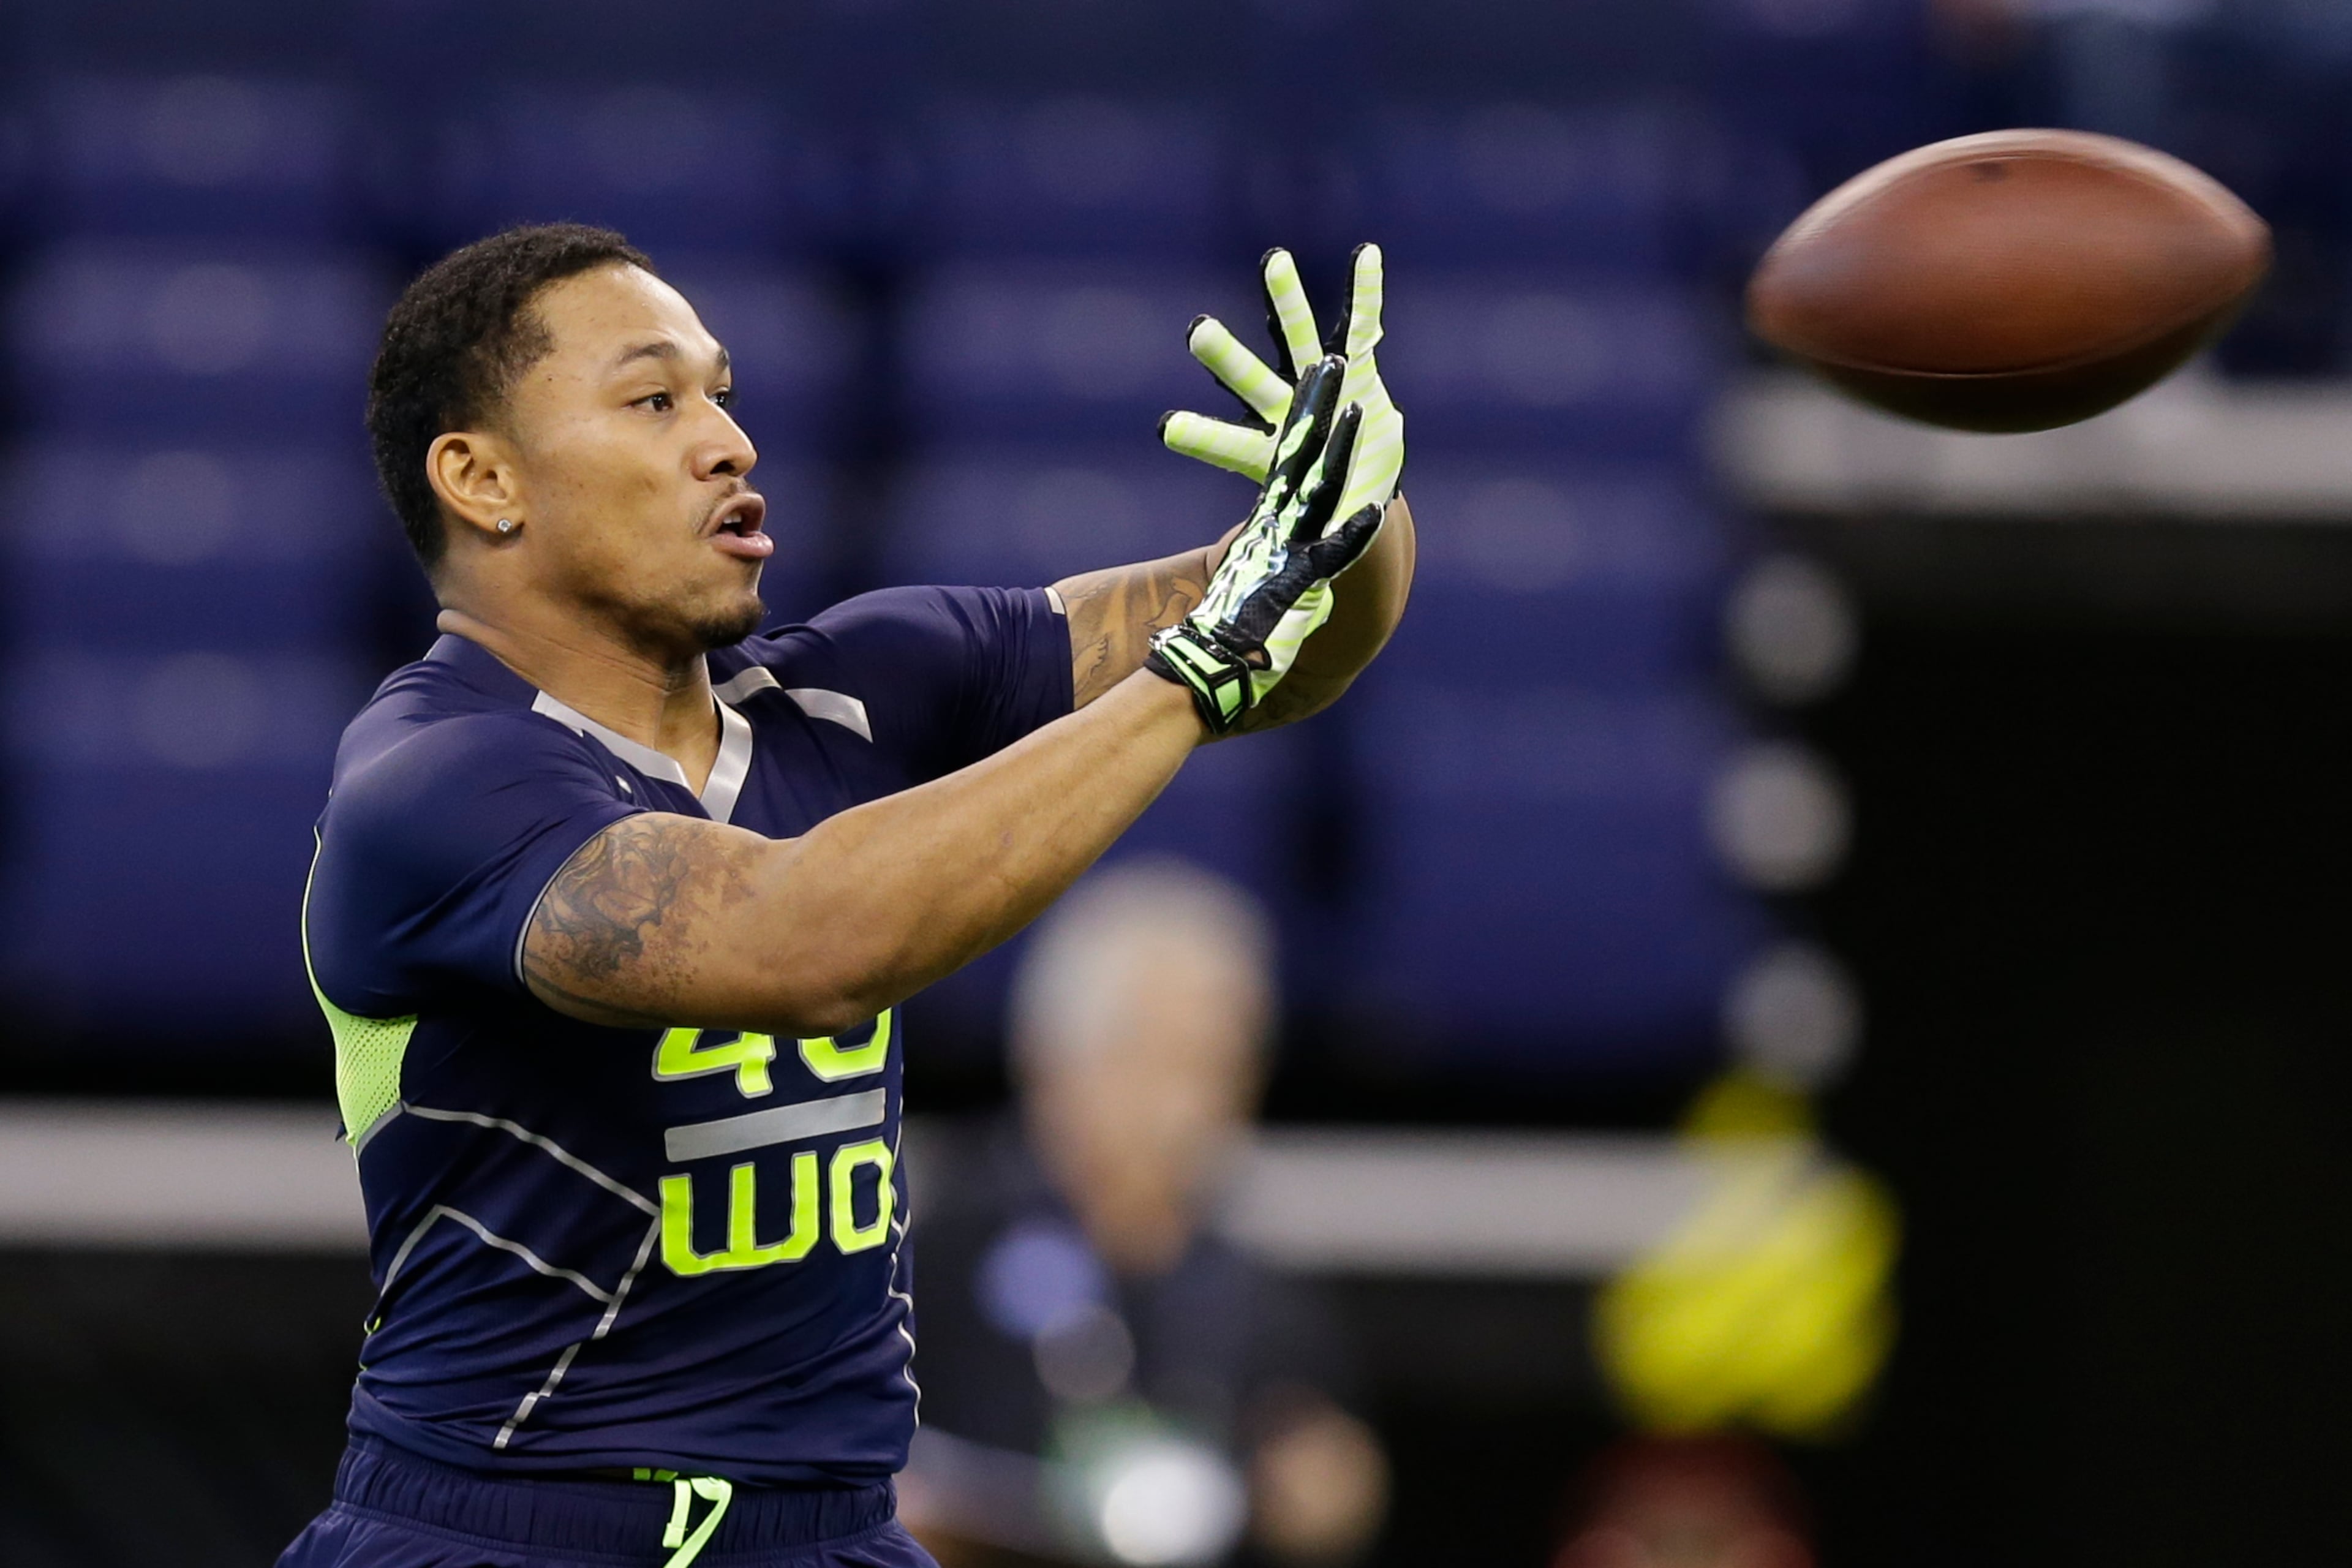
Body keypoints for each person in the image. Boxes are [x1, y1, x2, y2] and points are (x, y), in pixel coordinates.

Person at [279, 224, 1411, 1568]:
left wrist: (1354, 510)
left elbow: (1289, 631)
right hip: (512, 1532)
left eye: (722, 393)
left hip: (836, 1531)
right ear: (483, 479)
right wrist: (1196, 668)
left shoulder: (862, 680)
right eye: (655, 401)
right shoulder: (433, 780)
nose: (728, 442)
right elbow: (805, 942)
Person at [899, 860, 1389, 1567]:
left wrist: (1327, 1487)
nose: (1191, 1107)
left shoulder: (1258, 1297)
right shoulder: (934, 1256)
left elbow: (1327, 1465)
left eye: (1224, 1066)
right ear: (1055, 1058)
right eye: (1158, 1059)